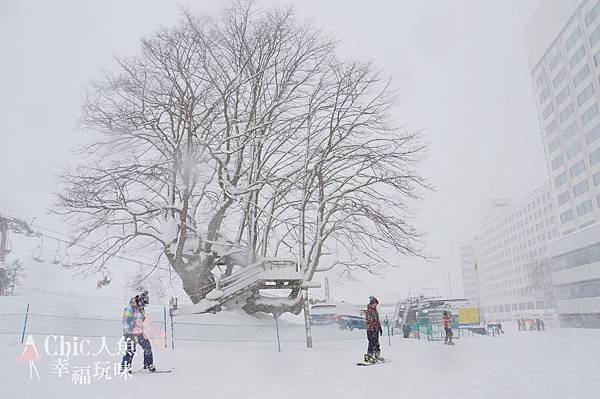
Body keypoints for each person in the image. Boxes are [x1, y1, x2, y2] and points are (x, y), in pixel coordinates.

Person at [121, 290, 155, 373]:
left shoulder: (141, 308)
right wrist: (127, 333)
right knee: (131, 351)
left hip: (140, 332)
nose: (144, 306)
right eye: (143, 304)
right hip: (130, 333)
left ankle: (148, 364)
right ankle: (125, 367)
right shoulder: (130, 308)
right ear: (140, 301)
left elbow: (142, 319)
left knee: (147, 347)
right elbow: (125, 321)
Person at [364, 296, 384, 363]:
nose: (376, 305)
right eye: (375, 303)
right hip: (371, 330)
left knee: (376, 343)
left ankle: (377, 355)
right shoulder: (369, 311)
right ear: (372, 303)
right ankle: (369, 356)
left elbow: (377, 320)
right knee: (371, 343)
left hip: (376, 329)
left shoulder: (375, 310)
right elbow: (369, 321)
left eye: (376, 304)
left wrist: (379, 328)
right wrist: (372, 328)